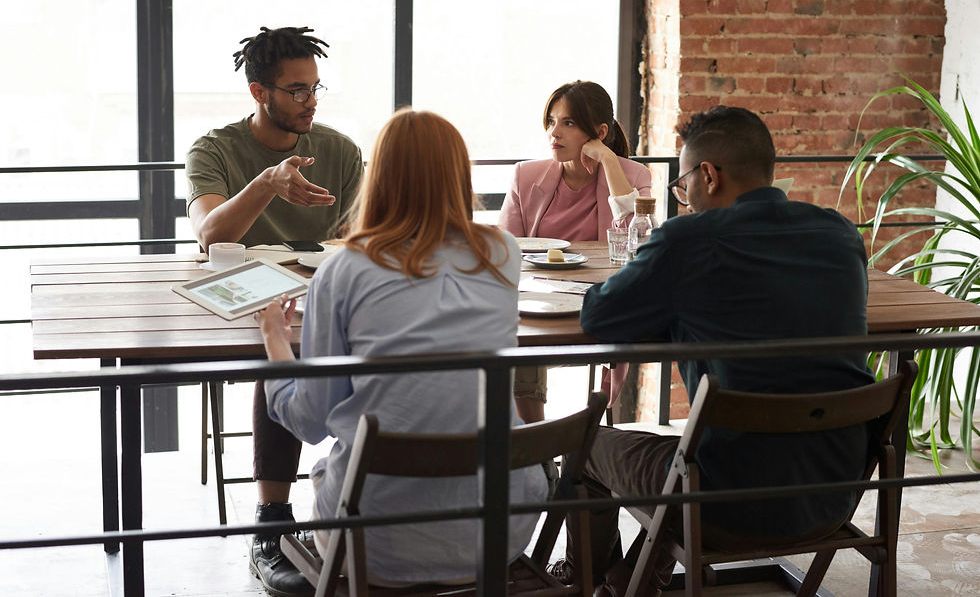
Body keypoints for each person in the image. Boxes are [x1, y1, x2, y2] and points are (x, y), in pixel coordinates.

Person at [550, 106, 875, 595]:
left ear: (708, 174)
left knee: (585, 444)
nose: (684, 199)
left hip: (726, 500)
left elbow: (598, 317)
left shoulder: (689, 240)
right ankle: (630, 584)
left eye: (682, 186)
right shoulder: (840, 235)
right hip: (834, 492)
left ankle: (595, 582)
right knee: (690, 455)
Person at [256, 109, 547, 587]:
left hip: (374, 536)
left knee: (329, 468)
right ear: (460, 174)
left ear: (379, 176)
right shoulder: (502, 253)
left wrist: (274, 339)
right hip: (498, 527)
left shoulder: (345, 268)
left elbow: (309, 421)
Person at [185, 26, 363, 596]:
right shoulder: (214, 149)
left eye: (315, 87)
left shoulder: (339, 150)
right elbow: (211, 235)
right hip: (248, 300)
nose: (311, 100)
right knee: (277, 345)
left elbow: (363, 237)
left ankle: (365, 490)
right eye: (296, 90)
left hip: (324, 295)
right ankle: (273, 520)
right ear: (260, 93)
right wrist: (268, 183)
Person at [498, 80, 652, 423]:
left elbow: (635, 245)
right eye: (551, 121)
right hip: (538, 305)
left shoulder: (634, 176)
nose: (555, 132)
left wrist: (610, 162)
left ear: (598, 132)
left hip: (598, 304)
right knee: (520, 342)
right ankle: (539, 453)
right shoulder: (526, 175)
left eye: (568, 123)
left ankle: (568, 454)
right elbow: (505, 251)